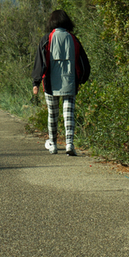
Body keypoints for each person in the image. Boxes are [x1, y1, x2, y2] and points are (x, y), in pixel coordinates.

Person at [32, 9, 90, 156]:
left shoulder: (47, 39)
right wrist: (82, 79)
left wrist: (36, 82)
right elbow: (83, 62)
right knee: (68, 113)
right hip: (70, 81)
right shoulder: (73, 39)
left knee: (53, 114)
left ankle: (53, 144)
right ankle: (69, 143)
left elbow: (40, 62)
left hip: (51, 83)